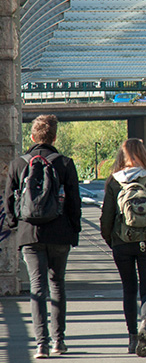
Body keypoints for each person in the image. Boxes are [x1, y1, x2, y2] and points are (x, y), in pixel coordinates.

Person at [4, 114, 82, 359]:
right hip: (60, 233)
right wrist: (74, 229)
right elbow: (74, 202)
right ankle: (59, 341)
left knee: (38, 288)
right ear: (55, 137)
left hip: (30, 233)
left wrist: (14, 223)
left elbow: (8, 200)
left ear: (32, 136)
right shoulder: (65, 163)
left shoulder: (19, 164)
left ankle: (41, 344)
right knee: (58, 285)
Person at [100, 138, 146, 357]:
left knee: (129, 289)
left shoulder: (114, 182)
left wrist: (111, 240)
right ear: (143, 154)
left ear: (121, 157)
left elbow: (106, 218)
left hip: (122, 243)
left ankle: (132, 338)